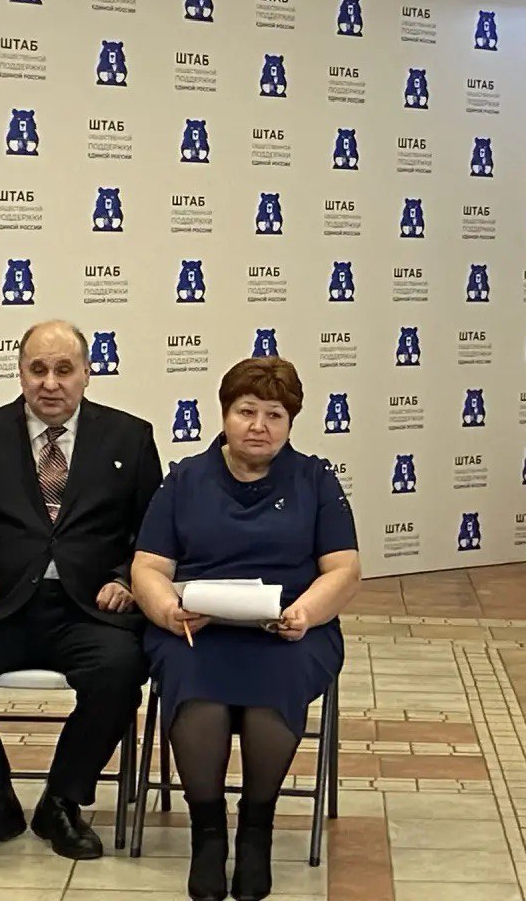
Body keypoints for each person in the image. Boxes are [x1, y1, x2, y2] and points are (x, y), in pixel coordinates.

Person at [0, 320, 161, 860]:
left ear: (87, 374)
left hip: (88, 610)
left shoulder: (130, 437)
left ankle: (63, 802)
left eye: (64, 369)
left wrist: (126, 579)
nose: (50, 383)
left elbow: (154, 530)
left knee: (121, 670)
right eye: (38, 369)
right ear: (21, 372)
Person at [131, 357, 360, 901]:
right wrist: (167, 610)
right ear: (225, 414)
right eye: (246, 411)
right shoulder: (185, 479)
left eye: (274, 415)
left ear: (290, 422)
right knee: (197, 692)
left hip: (289, 628)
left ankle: (256, 830)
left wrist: (306, 612)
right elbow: (148, 567)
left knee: (272, 691)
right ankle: (208, 835)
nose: (259, 426)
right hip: (196, 627)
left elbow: (344, 569)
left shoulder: (315, 479)